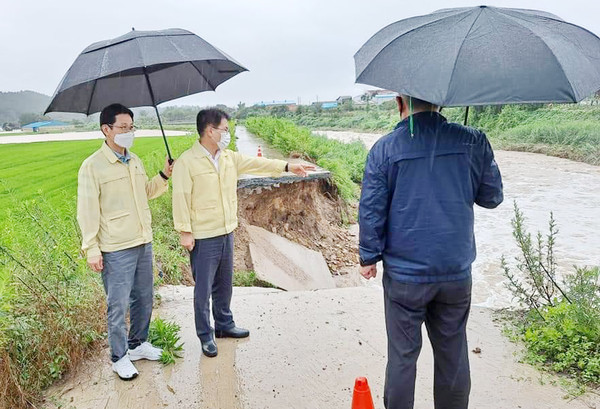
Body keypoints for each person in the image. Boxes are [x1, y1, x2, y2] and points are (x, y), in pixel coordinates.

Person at [358, 95, 503, 409]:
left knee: (402, 356)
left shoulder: (385, 149)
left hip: (404, 278)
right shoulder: (473, 140)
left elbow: (371, 209)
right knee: (453, 353)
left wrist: (369, 256)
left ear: (400, 103)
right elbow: (492, 197)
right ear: (441, 103)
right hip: (455, 273)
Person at [172, 108, 314, 357]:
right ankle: (205, 336)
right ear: (210, 130)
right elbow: (180, 197)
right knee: (203, 289)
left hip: (227, 230)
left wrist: (288, 165)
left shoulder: (228, 158)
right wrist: (185, 230)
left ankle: (224, 325)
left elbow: (257, 163)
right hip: (203, 235)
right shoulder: (187, 162)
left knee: (225, 284)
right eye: (225, 129)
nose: (227, 133)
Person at [77, 103, 173, 380]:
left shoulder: (135, 160)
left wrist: (164, 175)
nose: (129, 132)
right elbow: (87, 210)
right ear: (106, 130)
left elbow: (145, 193)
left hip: (143, 240)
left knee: (144, 297)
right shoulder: (92, 166)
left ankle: (138, 344)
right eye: (123, 127)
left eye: (131, 127)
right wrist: (91, 248)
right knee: (117, 304)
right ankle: (119, 356)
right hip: (116, 247)